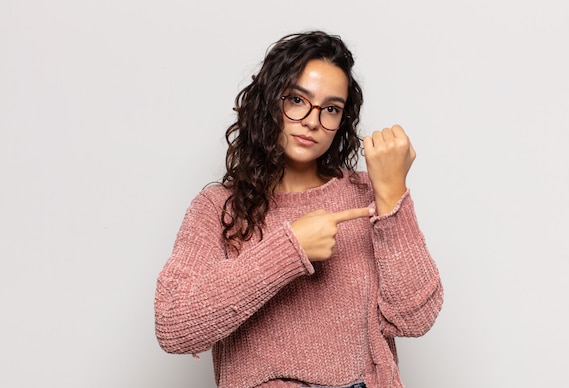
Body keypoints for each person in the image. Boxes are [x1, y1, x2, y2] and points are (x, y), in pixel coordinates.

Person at [154, 30, 443, 388]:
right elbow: (173, 326)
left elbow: (415, 318)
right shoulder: (219, 208)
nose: (311, 120)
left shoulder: (366, 193)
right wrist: (289, 251)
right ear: (269, 101)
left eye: (331, 109)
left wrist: (391, 196)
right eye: (297, 100)